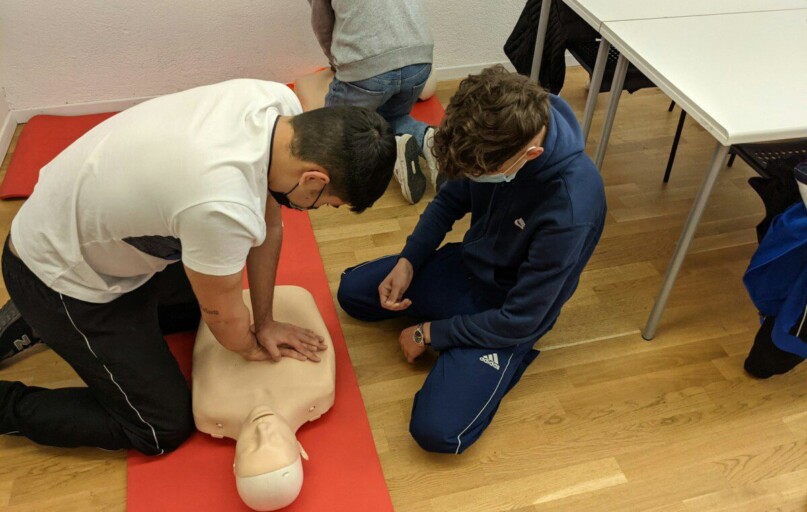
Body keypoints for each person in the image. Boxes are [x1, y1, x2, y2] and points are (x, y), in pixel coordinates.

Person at [0, 78, 395, 455]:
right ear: (313, 179)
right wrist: (251, 346)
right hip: (60, 277)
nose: (319, 210)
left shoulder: (278, 108)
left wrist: (266, 319)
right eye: (328, 203)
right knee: (160, 427)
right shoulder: (220, 204)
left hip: (75, 230)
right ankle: (19, 376)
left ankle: (43, 321)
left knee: (205, 303)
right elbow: (223, 318)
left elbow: (269, 224)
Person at [337, 66, 607, 454]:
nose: (471, 177)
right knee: (353, 293)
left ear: (530, 155)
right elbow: (449, 200)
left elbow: (522, 319)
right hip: (465, 267)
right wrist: (409, 260)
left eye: (480, 174)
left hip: (505, 314)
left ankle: (493, 361)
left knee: (437, 432)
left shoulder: (572, 206)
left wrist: (429, 334)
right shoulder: (488, 131)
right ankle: (453, 336)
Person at [308, 0, 441, 204]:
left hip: (366, 68)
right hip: (419, 62)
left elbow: (323, 25)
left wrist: (335, 61)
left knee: (328, 134)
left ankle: (379, 164)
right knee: (392, 115)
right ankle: (426, 139)